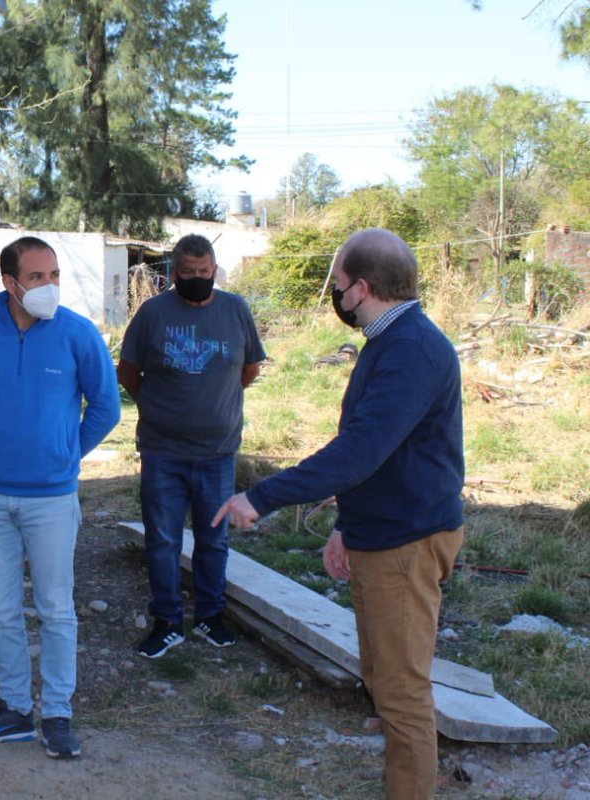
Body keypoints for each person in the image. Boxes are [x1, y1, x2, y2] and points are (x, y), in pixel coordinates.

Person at [213, 228, 464, 800]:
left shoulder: (411, 350)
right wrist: (348, 526)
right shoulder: (390, 341)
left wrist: (261, 496)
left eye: (339, 285)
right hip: (383, 533)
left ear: (361, 287)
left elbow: (358, 452)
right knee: (382, 680)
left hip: (407, 541)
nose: (337, 295)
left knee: (401, 696)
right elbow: (380, 447)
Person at [0, 236, 121, 759]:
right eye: (37, 277)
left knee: (55, 609)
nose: (49, 286)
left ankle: (58, 715)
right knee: (1, 610)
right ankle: (14, 711)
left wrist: (65, 455)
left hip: (51, 499)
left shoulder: (76, 334)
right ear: (10, 283)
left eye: (54, 276)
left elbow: (106, 407)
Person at [117, 234, 265, 658]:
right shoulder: (153, 313)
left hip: (218, 451)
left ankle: (209, 617)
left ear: (214, 270)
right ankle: (166, 621)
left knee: (213, 538)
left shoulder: (235, 309)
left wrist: (214, 400)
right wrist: (158, 405)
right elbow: (128, 371)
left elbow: (250, 367)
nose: (197, 279)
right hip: (163, 451)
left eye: (204, 273)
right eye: (187, 274)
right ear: (173, 274)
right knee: (162, 538)